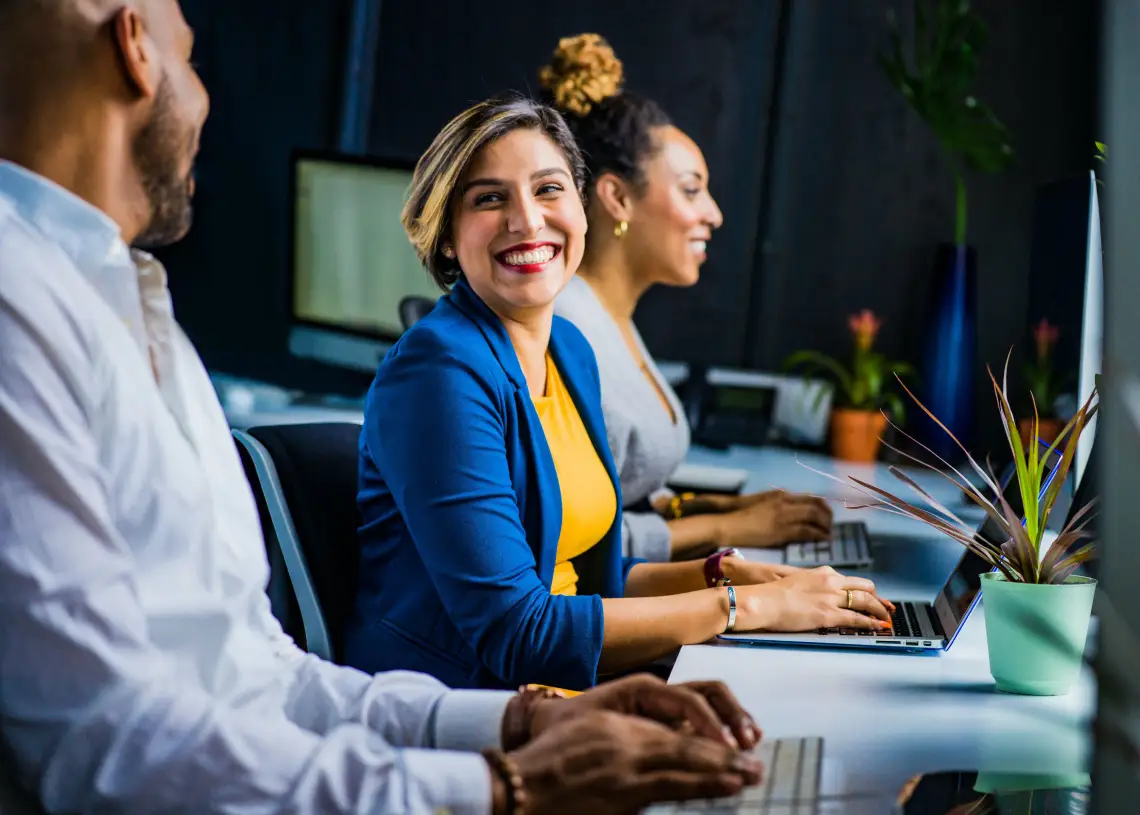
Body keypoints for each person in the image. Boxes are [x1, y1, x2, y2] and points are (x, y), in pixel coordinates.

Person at [0, 2, 768, 812]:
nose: (207, 97)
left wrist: (518, 726)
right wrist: (505, 784)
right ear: (134, 48)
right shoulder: (23, 305)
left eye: (549, 190)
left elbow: (262, 675)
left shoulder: (132, 308)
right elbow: (107, 741)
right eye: (192, 59)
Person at [346, 93, 894, 693]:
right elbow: (517, 631)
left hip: (565, 691)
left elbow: (589, 581)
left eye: (549, 189)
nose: (527, 220)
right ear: (448, 237)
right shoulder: (438, 373)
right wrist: (747, 608)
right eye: (489, 198)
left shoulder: (570, 351)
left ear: (582, 210)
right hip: (463, 710)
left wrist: (725, 576)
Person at [544, 34, 835, 562]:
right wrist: (724, 531)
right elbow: (570, 543)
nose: (714, 214)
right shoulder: (567, 331)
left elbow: (623, 494)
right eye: (691, 189)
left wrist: (715, 510)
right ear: (616, 197)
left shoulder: (611, 319)